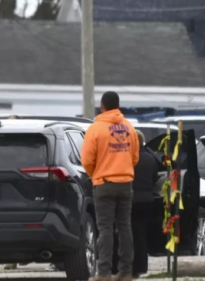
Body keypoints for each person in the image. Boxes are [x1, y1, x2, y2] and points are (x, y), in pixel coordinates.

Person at [82, 91, 141, 281]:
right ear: (118, 105)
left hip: (104, 184)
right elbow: (135, 157)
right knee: (125, 227)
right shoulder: (129, 128)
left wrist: (95, 175)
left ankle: (105, 273)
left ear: (102, 106)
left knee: (105, 229)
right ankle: (125, 272)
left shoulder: (96, 129)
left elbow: (87, 160)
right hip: (125, 184)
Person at [130, 130, 158, 279]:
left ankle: (131, 265)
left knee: (130, 233)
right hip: (147, 200)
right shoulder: (150, 158)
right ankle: (142, 266)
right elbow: (154, 179)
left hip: (131, 199)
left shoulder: (128, 159)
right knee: (142, 233)